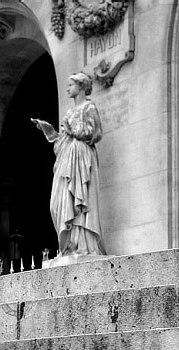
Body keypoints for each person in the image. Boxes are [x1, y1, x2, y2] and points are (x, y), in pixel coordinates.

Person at [33, 72, 105, 260]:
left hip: (81, 157)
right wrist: (50, 132)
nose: (67, 88)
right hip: (67, 159)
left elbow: (95, 133)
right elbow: (62, 141)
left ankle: (83, 245)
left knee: (79, 202)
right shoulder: (69, 112)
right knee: (58, 204)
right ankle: (70, 246)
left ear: (81, 86)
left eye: (71, 84)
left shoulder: (89, 107)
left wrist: (72, 130)